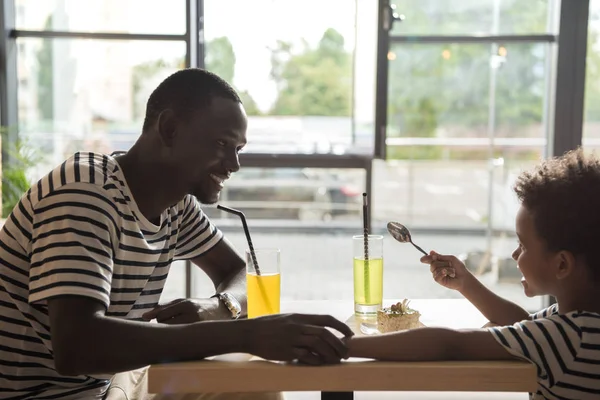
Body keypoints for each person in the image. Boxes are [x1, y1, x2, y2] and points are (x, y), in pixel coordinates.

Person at [0, 68, 353, 400]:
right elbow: (78, 349)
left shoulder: (175, 205)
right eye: (221, 143)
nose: (234, 165)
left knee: (257, 390)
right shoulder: (85, 191)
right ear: (169, 129)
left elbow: (240, 273)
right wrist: (248, 334)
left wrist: (217, 308)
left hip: (110, 385)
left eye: (238, 149)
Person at [346, 148, 600, 399]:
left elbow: (450, 344)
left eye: (522, 246)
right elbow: (521, 322)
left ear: (562, 265)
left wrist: (344, 345)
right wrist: (466, 283)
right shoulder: (578, 323)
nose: (514, 255)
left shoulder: (569, 338)